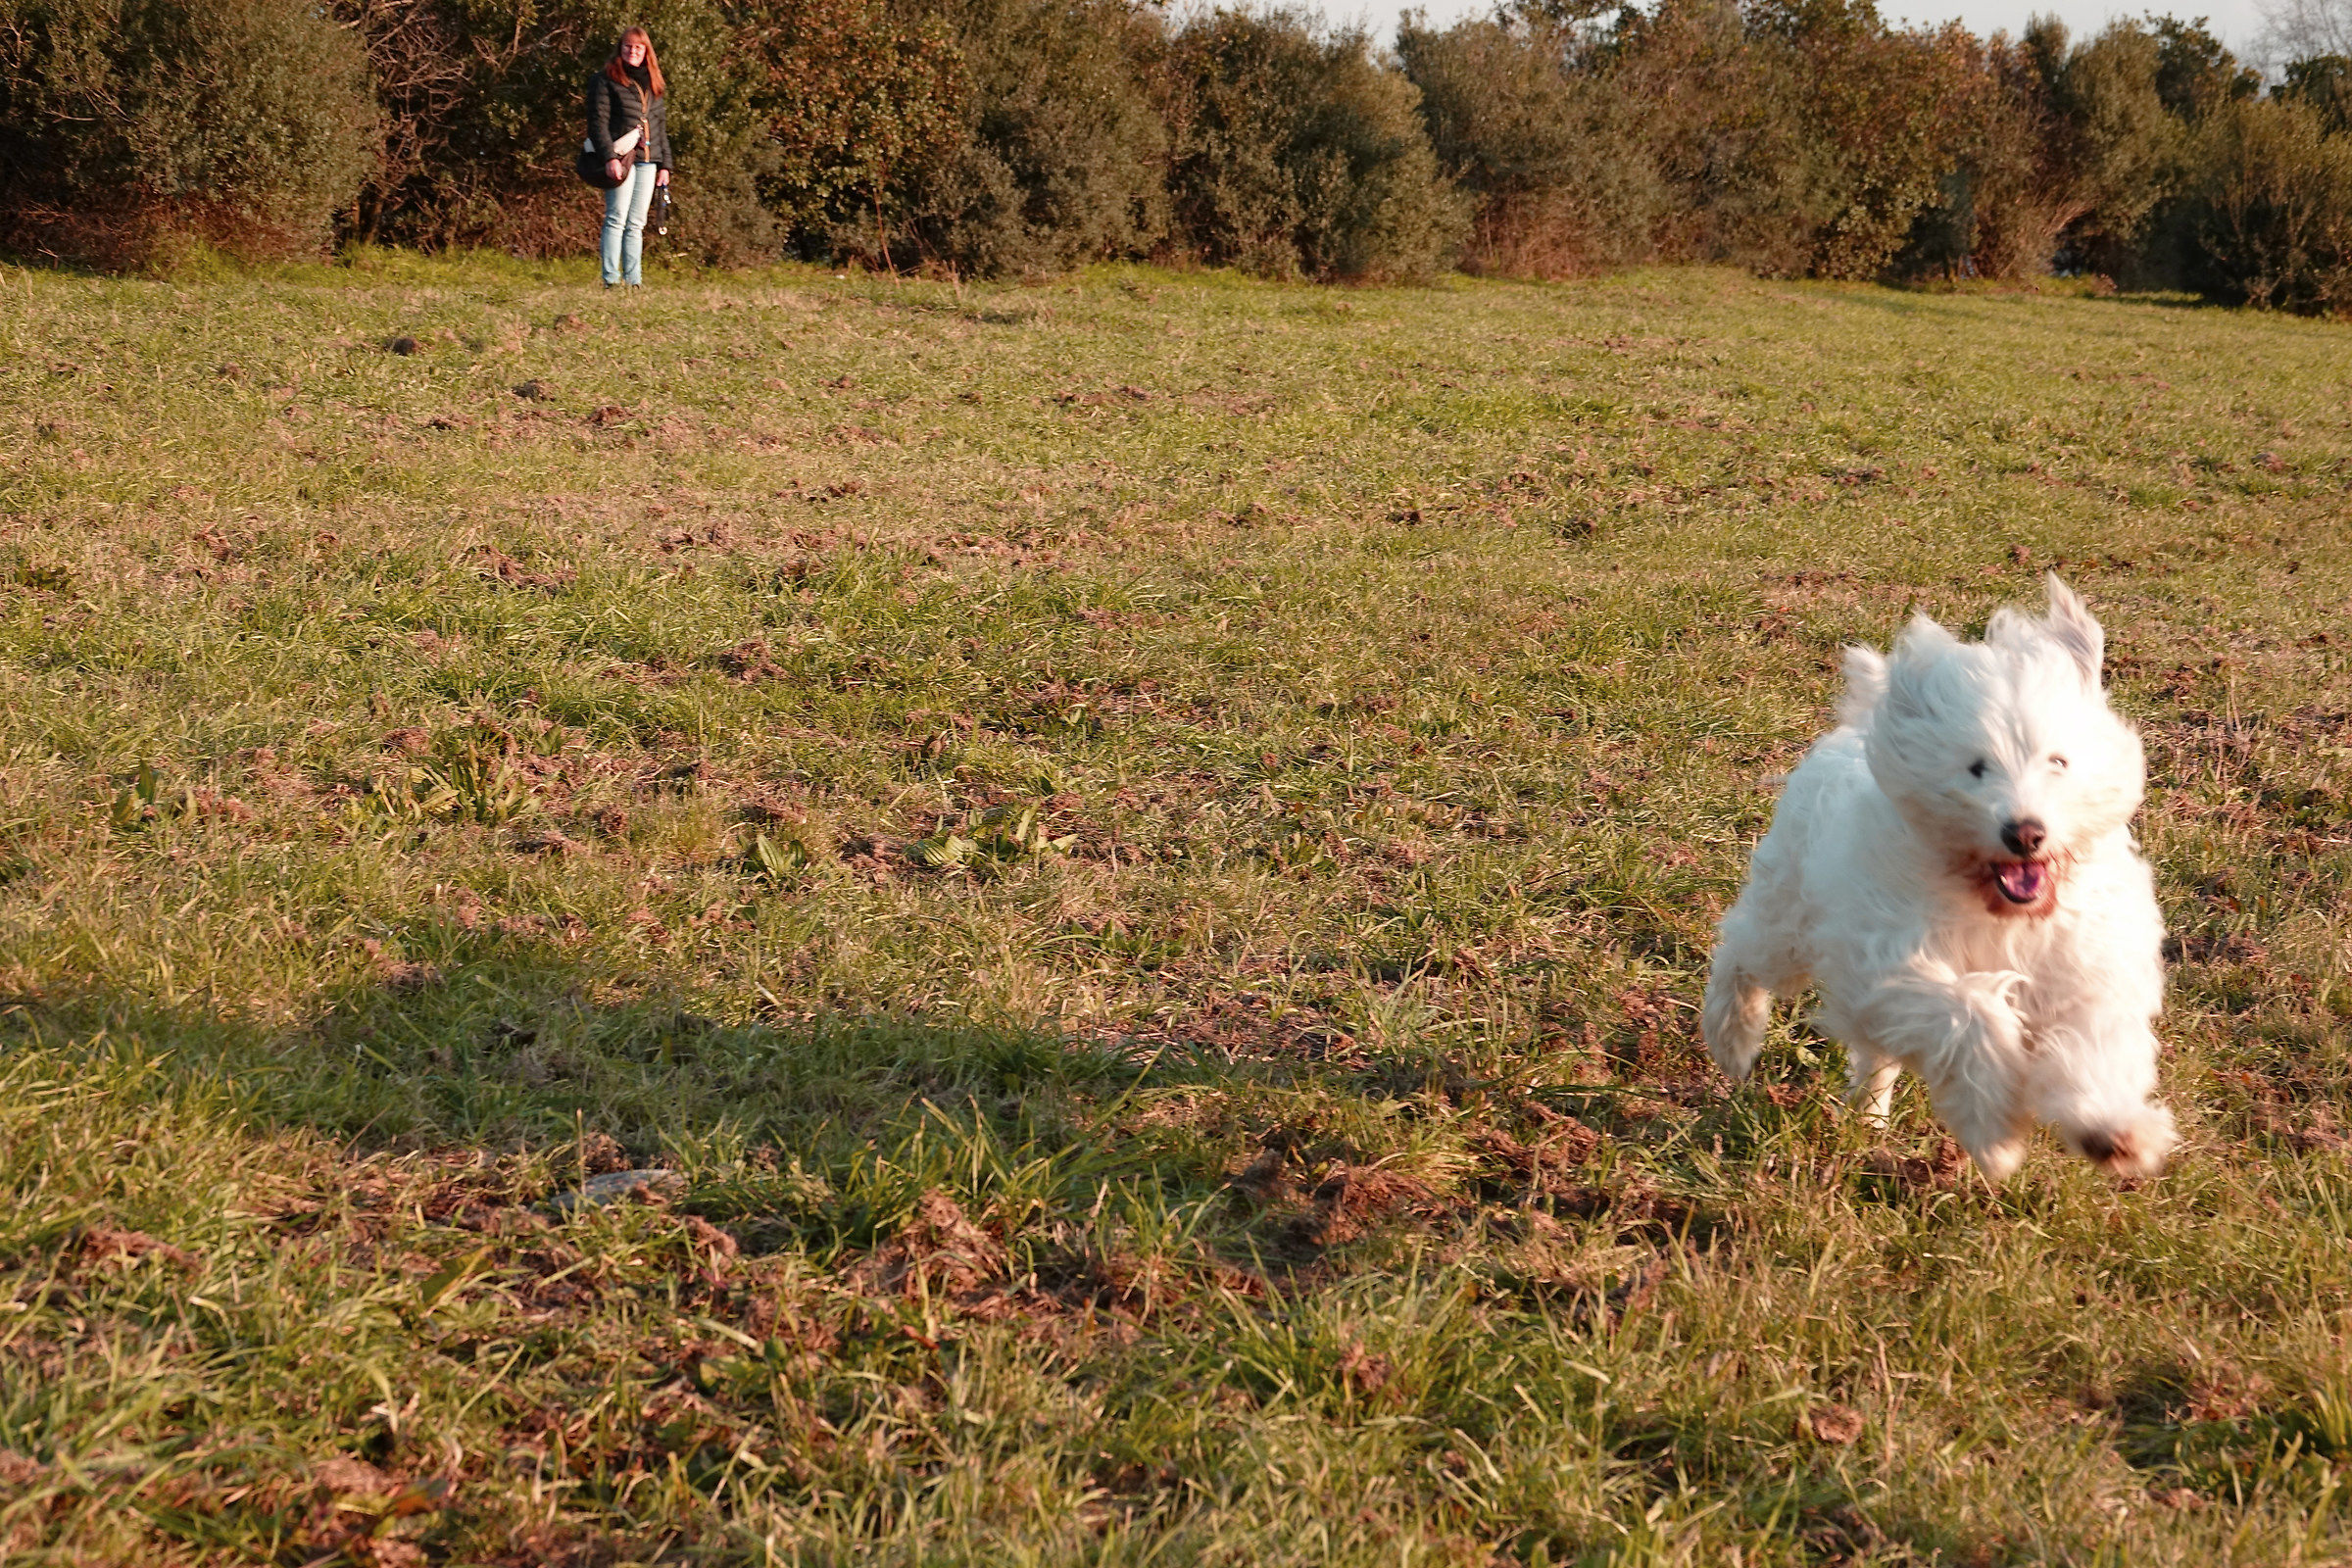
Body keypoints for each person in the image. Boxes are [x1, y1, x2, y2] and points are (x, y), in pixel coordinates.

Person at [585, 27, 672, 288]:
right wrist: (609, 157)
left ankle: (634, 281)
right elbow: (597, 123)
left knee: (637, 223)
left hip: (649, 159)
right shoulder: (604, 80)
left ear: (646, 52)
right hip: (621, 157)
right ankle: (611, 280)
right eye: (628, 47)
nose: (632, 52)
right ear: (620, 49)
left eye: (638, 48)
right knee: (616, 217)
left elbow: (660, 126)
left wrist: (665, 165)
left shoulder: (654, 83)